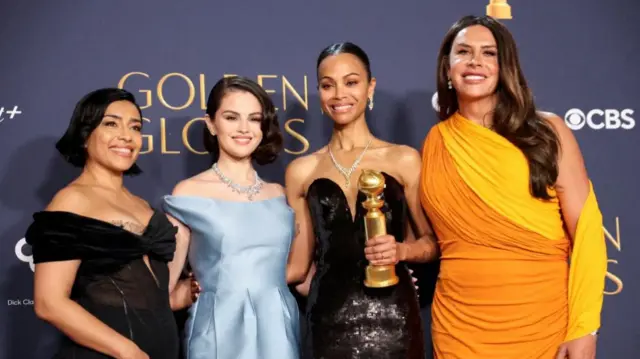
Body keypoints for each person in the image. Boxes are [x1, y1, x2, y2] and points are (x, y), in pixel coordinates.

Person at [420, 15, 607, 359]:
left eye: (489, 53)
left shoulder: (547, 130)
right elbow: (436, 240)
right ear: (447, 68)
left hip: (541, 325)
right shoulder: (436, 142)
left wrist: (584, 326)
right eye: (463, 52)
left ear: (505, 66)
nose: (475, 61)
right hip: (458, 329)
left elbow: (588, 230)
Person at [286, 42, 439, 359]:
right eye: (328, 85)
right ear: (319, 93)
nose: (339, 94)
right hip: (328, 321)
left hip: (394, 319)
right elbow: (299, 267)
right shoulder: (301, 171)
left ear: (370, 88)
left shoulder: (404, 160)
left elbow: (433, 243)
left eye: (351, 82)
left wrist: (401, 250)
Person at [25, 88, 195, 359]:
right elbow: (49, 303)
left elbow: (141, 295)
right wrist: (127, 352)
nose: (126, 136)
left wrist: (178, 297)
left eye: (135, 127)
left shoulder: (142, 205)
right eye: (111, 123)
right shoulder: (73, 200)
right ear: (84, 135)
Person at [162, 76, 301, 359]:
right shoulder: (190, 193)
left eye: (254, 118)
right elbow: (163, 287)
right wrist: (187, 293)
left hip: (279, 332)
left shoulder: (279, 195)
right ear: (211, 123)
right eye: (231, 117)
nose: (243, 128)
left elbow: (298, 270)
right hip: (218, 333)